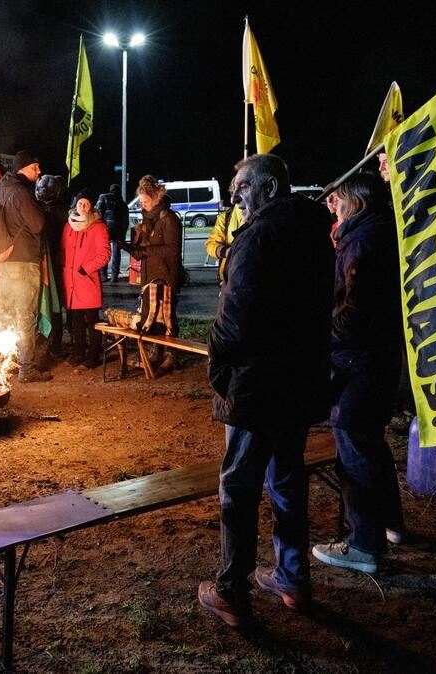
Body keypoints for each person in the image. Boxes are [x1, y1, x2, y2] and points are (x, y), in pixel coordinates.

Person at [198, 154, 333, 628]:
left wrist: (217, 363)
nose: (235, 196)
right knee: (287, 479)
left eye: (241, 186)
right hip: (299, 384)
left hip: (258, 388)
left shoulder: (258, 237)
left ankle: (231, 590)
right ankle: (293, 578)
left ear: (270, 187)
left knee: (238, 485)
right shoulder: (317, 235)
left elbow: (235, 323)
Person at [310, 172, 404, 575]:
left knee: (353, 446)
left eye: (338, 198)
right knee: (369, 443)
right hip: (374, 359)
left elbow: (355, 311)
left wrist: (316, 336)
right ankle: (390, 523)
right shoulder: (373, 231)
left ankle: (363, 543)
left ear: (357, 200)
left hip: (358, 361)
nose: (333, 204)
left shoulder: (364, 240)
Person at [0, 150, 51, 383]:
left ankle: (2, 364)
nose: (39, 172)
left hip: (7, 260)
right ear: (23, 168)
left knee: (5, 313)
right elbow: (37, 225)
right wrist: (42, 210)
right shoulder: (21, 192)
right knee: (25, 315)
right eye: (35, 168)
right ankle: (26, 368)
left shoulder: (3, 189)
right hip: (24, 259)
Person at [126, 175, 183, 372]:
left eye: (146, 201)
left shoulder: (169, 219)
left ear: (156, 198)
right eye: (141, 201)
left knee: (168, 316)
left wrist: (147, 250)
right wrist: (132, 246)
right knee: (153, 314)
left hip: (166, 276)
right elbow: (142, 248)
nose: (143, 205)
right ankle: (155, 349)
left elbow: (172, 250)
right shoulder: (147, 220)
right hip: (150, 275)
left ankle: (171, 353)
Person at [60, 189, 110, 368]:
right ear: (76, 204)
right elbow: (63, 251)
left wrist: (85, 269)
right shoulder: (68, 225)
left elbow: (104, 254)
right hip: (70, 282)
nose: (82, 206)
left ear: (91, 207)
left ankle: (94, 355)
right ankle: (78, 353)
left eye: (86, 204)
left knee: (92, 321)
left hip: (86, 281)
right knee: (75, 322)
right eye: (80, 203)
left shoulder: (98, 227)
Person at [35, 174, 69, 360]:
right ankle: (46, 342)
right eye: (40, 189)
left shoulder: (62, 212)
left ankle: (56, 344)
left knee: (55, 304)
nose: (42, 192)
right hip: (42, 262)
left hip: (57, 263)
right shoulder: (40, 209)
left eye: (45, 190)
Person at [95, 184, 130, 282]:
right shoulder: (122, 203)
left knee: (104, 251)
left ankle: (103, 274)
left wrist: (99, 227)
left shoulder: (103, 197)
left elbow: (98, 212)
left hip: (106, 228)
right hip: (118, 230)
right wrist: (123, 232)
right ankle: (114, 275)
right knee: (116, 252)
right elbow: (126, 220)